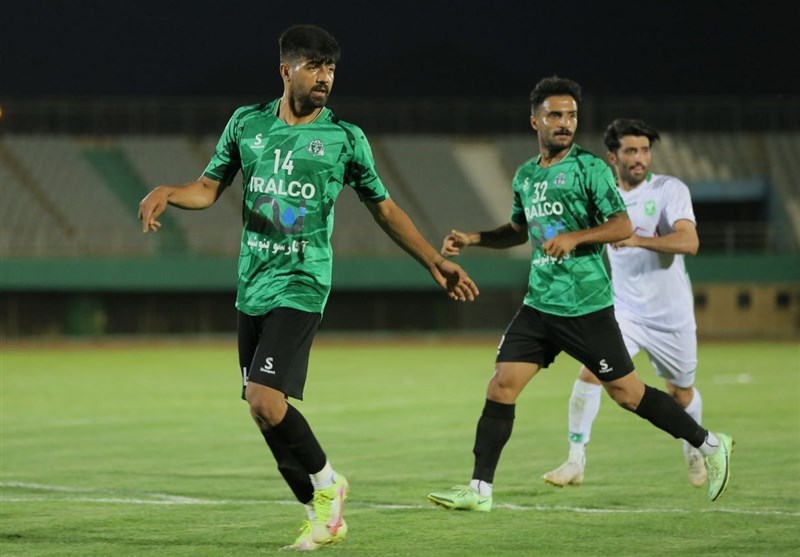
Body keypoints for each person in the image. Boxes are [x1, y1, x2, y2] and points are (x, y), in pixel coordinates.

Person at [138, 24, 479, 551]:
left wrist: (433, 260)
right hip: (252, 284)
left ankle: (328, 484)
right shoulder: (246, 124)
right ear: (286, 70)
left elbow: (385, 209)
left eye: (331, 68)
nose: (325, 77)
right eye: (314, 66)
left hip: (302, 283)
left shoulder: (345, 138)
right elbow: (207, 189)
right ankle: (320, 517)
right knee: (261, 411)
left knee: (264, 397)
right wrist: (167, 191)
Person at [427, 76, 733, 513]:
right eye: (555, 114)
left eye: (571, 115)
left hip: (585, 305)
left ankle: (710, 444)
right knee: (501, 386)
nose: (565, 122)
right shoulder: (526, 175)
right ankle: (479, 489)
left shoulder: (590, 169)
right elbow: (518, 231)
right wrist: (474, 238)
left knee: (627, 395)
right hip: (539, 305)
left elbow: (622, 226)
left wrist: (574, 237)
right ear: (534, 121)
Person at [542, 118, 707, 489]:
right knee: (590, 373)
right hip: (624, 312)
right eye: (631, 151)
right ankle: (575, 459)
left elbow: (689, 242)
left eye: (645, 150)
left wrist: (635, 240)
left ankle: (694, 446)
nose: (640, 158)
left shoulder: (668, 190)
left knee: (680, 394)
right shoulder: (601, 198)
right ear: (612, 157)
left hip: (671, 316)